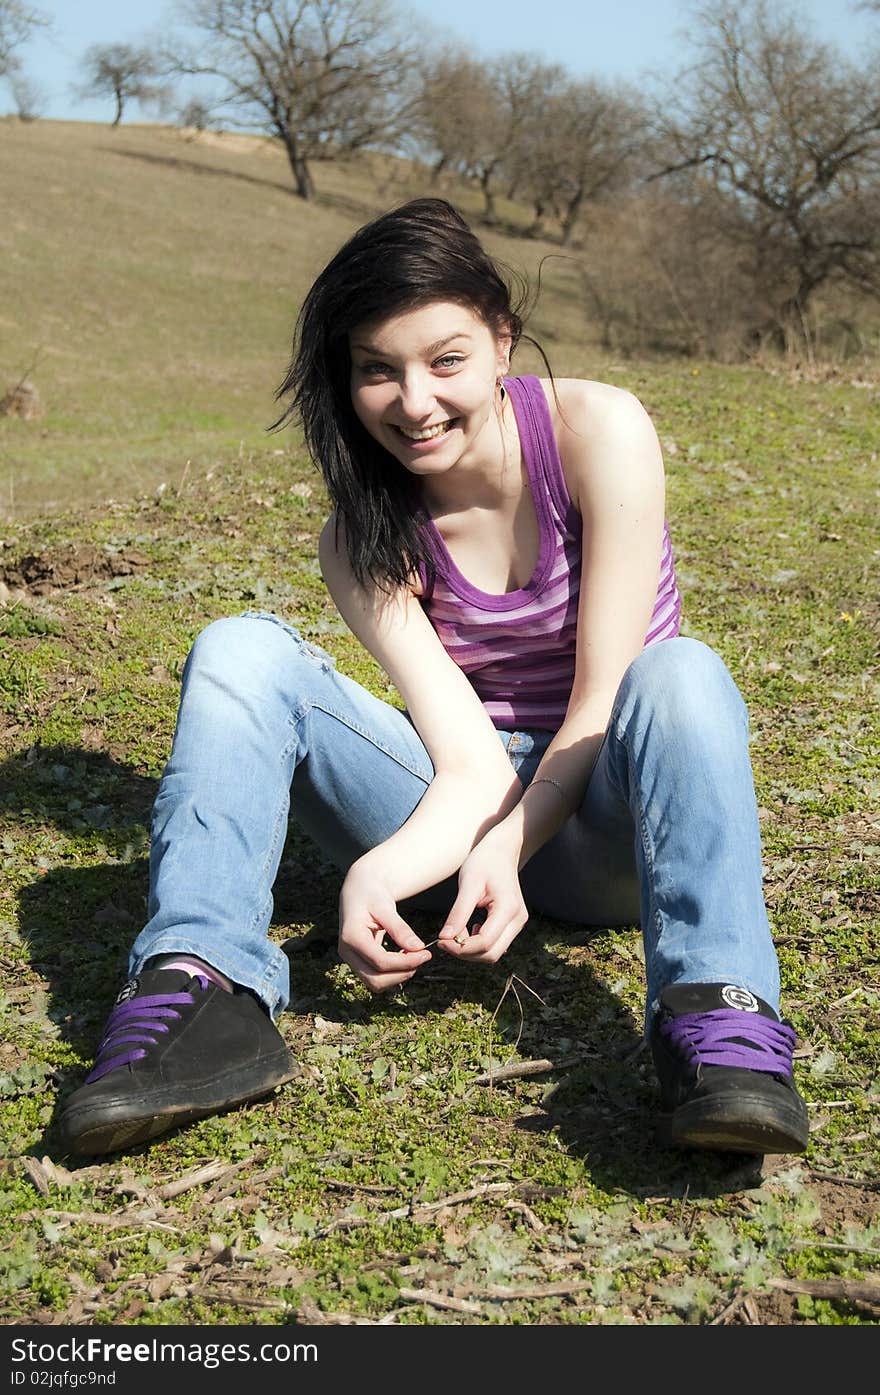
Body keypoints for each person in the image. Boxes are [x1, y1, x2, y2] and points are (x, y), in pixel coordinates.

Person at [58, 197, 809, 1161]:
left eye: (446, 359)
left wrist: (513, 840)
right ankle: (204, 985)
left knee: (681, 674)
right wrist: (381, 869)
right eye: (378, 369)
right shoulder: (360, 535)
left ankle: (720, 1019)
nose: (414, 402)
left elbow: (598, 701)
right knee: (241, 649)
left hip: (617, 820)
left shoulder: (598, 430)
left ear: (503, 341)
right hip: (474, 809)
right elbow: (465, 764)